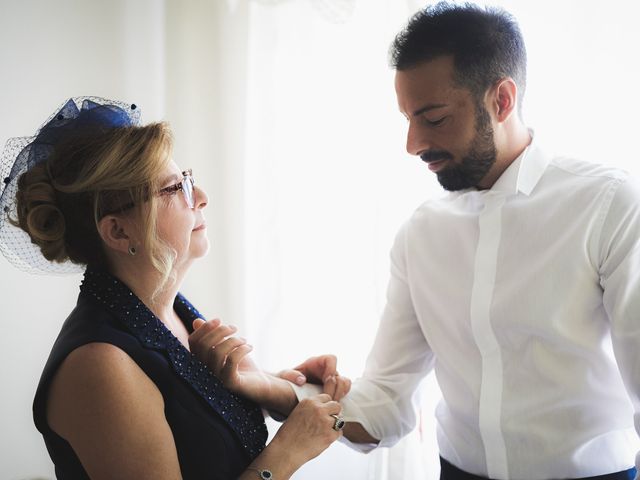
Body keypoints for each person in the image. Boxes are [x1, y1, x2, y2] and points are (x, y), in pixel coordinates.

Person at [205, 2, 640, 479]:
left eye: (432, 118)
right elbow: (384, 404)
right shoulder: (421, 233)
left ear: (502, 100)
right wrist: (266, 386)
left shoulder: (609, 205)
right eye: (408, 118)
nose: (412, 143)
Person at [0, 96, 350, 480]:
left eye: (189, 180)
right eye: (174, 188)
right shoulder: (99, 366)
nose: (200, 198)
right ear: (118, 230)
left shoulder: (169, 312)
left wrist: (267, 382)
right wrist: (287, 453)